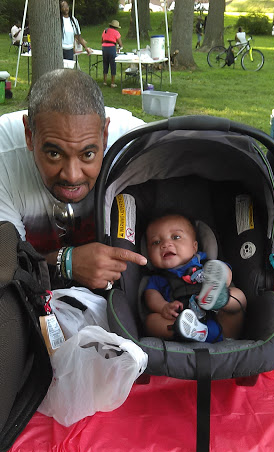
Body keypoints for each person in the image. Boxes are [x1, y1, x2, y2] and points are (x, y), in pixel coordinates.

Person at [0, 68, 147, 291]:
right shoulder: (3, 158)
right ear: (30, 135)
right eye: (54, 154)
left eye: (87, 154)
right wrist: (66, 262)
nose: (72, 175)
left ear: (104, 135)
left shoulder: (135, 144)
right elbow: (8, 269)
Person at [144, 214, 247, 342]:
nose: (165, 244)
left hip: (222, 323)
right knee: (151, 321)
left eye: (176, 237)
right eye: (156, 242)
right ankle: (189, 331)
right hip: (183, 322)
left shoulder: (208, 265)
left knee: (238, 296)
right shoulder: (158, 278)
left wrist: (222, 281)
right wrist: (163, 307)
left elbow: (226, 273)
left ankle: (219, 298)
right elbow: (151, 296)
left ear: (194, 247)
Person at [102, 20, 123, 87]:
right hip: (111, 48)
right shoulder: (116, 32)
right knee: (112, 64)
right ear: (116, 27)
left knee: (105, 64)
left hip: (104, 48)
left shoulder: (105, 30)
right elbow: (120, 43)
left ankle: (104, 81)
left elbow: (102, 40)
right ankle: (112, 83)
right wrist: (119, 47)